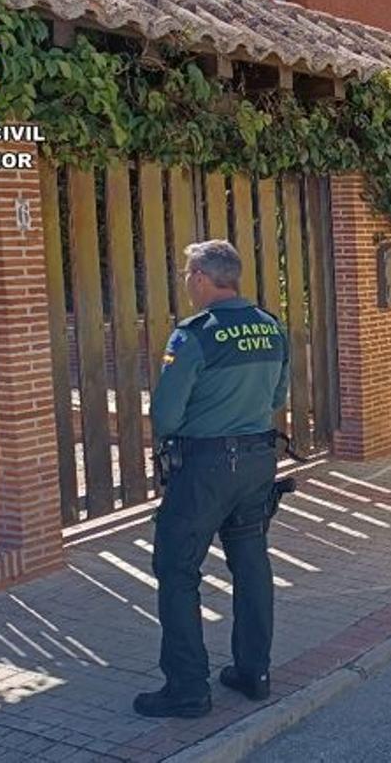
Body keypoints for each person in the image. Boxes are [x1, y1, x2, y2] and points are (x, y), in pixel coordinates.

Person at [134, 240, 290, 719]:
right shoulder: (270, 327)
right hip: (258, 463)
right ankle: (254, 672)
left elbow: (165, 414)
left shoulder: (194, 334)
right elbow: (278, 394)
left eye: (187, 274)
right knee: (250, 565)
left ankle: (186, 689)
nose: (186, 282)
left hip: (205, 469)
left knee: (177, 569)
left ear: (201, 277)